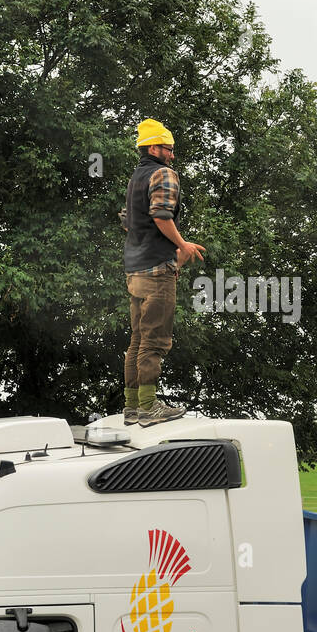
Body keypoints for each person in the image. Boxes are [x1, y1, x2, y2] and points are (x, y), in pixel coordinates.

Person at [121, 119, 205, 426]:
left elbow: (128, 221)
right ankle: (149, 407)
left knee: (137, 339)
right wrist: (181, 245)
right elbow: (160, 215)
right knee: (155, 340)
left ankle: (131, 408)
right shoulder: (163, 173)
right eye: (168, 149)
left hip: (135, 270)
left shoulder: (136, 178)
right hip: (156, 272)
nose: (172, 155)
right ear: (154, 148)